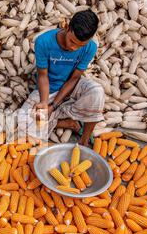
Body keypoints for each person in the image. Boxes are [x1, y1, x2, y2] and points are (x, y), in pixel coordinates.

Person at [19, 9, 105, 146]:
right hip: (49, 88)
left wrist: (53, 106)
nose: (73, 47)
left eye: (80, 45)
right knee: (21, 124)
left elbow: (74, 78)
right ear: (67, 27)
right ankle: (66, 123)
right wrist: (44, 103)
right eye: (72, 41)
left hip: (72, 87)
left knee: (97, 91)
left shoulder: (90, 47)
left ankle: (84, 140)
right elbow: (43, 76)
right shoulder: (43, 42)